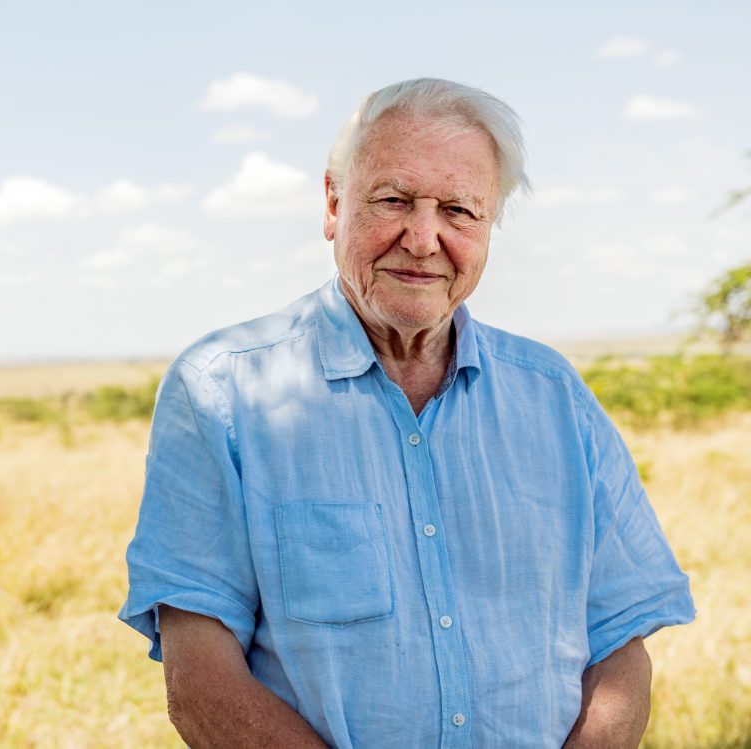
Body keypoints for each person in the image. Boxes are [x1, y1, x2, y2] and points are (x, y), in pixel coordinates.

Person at [119, 78, 695, 748]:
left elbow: (620, 646)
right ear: (334, 203)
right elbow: (202, 686)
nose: (423, 239)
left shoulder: (555, 395)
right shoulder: (221, 389)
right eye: (394, 200)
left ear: (489, 226)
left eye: (459, 210)